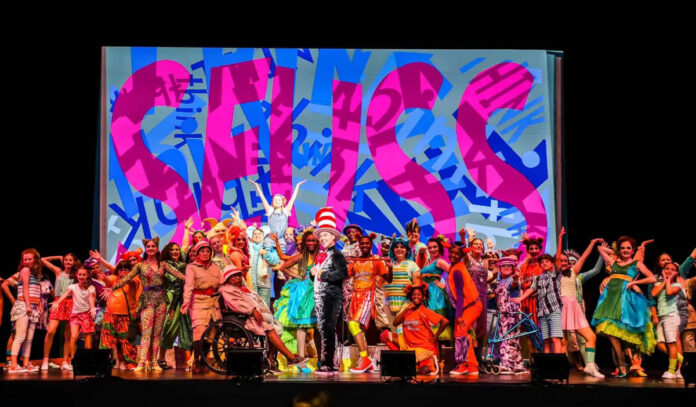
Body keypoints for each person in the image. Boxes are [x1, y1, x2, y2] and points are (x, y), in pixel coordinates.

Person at [113, 237, 186, 371]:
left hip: (161, 301)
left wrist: (194, 279)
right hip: (147, 300)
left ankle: (154, 362)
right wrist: (113, 288)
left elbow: (178, 275)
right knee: (147, 332)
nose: (150, 248)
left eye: (153, 246)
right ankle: (142, 363)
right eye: (148, 247)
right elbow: (128, 277)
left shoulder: (163, 264)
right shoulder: (140, 265)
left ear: (157, 248)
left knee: (157, 333)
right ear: (146, 250)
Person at [591, 236, 657, 377]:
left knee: (623, 333)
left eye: (628, 248)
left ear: (633, 250)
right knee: (609, 331)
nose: (625, 250)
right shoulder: (613, 262)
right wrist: (614, 251)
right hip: (610, 299)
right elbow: (599, 248)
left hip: (624, 300)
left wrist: (634, 283)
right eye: (622, 248)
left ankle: (627, 365)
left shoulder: (636, 264)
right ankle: (621, 365)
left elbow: (652, 278)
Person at [219, 264, 307, 369]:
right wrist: (253, 310)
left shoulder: (243, 288)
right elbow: (237, 305)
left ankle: (270, 361)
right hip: (245, 317)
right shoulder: (228, 289)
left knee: (277, 327)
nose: (237, 278)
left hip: (257, 315)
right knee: (270, 330)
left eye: (238, 275)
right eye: (234, 276)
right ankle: (290, 357)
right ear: (228, 279)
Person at [555, 232, 605, 378]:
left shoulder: (573, 272)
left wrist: (592, 243)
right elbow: (557, 257)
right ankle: (560, 370)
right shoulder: (556, 274)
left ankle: (590, 366)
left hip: (575, 307)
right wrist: (559, 239)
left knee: (591, 336)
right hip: (562, 306)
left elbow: (583, 257)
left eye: (566, 261)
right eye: (562, 261)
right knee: (563, 342)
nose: (564, 263)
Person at [345, 234, 393, 373]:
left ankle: (364, 358)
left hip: (367, 295)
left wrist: (390, 267)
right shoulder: (356, 262)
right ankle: (367, 363)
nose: (365, 245)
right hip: (355, 297)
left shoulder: (376, 261)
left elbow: (388, 279)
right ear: (359, 245)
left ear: (371, 245)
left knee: (353, 325)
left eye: (367, 243)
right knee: (359, 329)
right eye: (362, 243)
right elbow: (345, 276)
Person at [273, 229, 319, 369]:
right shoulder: (302, 256)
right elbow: (283, 267)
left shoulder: (321, 256)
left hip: (318, 289)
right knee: (302, 325)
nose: (311, 243)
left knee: (318, 327)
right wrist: (297, 276)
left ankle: (322, 359)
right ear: (305, 242)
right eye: (308, 240)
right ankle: (301, 360)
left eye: (313, 240)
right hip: (304, 291)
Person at [311, 207, 348, 374]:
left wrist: (322, 274)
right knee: (323, 328)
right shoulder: (321, 255)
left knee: (328, 328)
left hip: (331, 296)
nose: (322, 238)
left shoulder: (337, 255)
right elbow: (317, 276)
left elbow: (342, 273)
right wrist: (313, 274)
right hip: (320, 297)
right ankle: (329, 363)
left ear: (333, 236)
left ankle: (328, 363)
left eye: (326, 235)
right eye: (321, 235)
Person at [383, 283, 449, 375]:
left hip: (423, 348)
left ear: (423, 297)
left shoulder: (424, 311)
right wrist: (406, 309)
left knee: (421, 371)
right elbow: (395, 323)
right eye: (414, 295)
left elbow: (445, 321)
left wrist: (435, 336)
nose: (416, 296)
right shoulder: (407, 311)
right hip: (408, 346)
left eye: (418, 294)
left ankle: (427, 363)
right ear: (410, 297)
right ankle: (404, 361)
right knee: (385, 335)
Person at [181, 240, 222, 373]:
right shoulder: (191, 267)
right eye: (202, 251)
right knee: (199, 330)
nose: (205, 253)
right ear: (197, 254)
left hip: (214, 302)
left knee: (212, 332)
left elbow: (221, 284)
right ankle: (197, 361)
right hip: (198, 301)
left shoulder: (215, 266)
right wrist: (186, 302)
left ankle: (204, 361)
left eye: (207, 251)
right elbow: (188, 286)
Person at [38, 253, 80, 370]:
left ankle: (66, 361)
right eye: (66, 260)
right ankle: (45, 360)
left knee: (68, 335)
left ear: (74, 262)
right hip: (58, 302)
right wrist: (58, 257)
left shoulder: (76, 275)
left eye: (70, 260)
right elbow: (42, 259)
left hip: (71, 303)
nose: (67, 262)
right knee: (51, 331)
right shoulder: (58, 271)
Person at [50, 267, 97, 371]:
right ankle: (74, 360)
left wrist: (92, 307)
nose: (81, 277)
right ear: (77, 275)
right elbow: (65, 294)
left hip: (86, 315)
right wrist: (57, 302)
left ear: (87, 276)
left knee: (88, 339)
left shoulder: (91, 288)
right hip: (75, 315)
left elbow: (91, 297)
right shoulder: (73, 286)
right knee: (73, 337)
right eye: (79, 275)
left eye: (83, 275)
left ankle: (87, 361)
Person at [6, 249, 44, 373]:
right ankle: (13, 364)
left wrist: (39, 304)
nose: (27, 262)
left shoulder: (36, 273)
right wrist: (28, 305)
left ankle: (26, 363)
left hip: (33, 306)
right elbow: (26, 289)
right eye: (25, 259)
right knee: (20, 336)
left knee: (29, 338)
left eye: (30, 259)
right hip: (24, 305)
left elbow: (36, 289)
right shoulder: (25, 270)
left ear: (35, 260)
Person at [99, 260, 142, 370]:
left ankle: (129, 363)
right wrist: (104, 278)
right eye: (121, 269)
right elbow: (109, 280)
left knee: (126, 341)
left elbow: (137, 293)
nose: (123, 272)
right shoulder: (114, 279)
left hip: (126, 315)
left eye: (126, 269)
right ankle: (105, 363)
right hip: (111, 315)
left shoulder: (135, 280)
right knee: (108, 340)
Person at [380, 237, 421, 350]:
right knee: (393, 331)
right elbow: (381, 282)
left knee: (400, 329)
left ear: (406, 250)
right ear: (392, 249)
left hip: (405, 301)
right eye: (396, 247)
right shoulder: (387, 264)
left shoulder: (412, 265)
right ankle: (399, 355)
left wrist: (411, 287)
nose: (399, 249)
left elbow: (418, 284)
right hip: (389, 302)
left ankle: (405, 354)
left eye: (402, 247)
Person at [447, 245, 482, 376]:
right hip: (467, 306)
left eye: (457, 254)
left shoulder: (457, 270)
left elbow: (461, 294)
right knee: (459, 333)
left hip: (471, 306)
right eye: (452, 253)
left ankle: (466, 365)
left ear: (461, 256)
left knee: (461, 331)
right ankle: (469, 365)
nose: (453, 255)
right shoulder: (454, 267)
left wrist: (459, 315)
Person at [158, 242, 193, 370]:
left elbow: (185, 247)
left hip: (185, 296)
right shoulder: (165, 264)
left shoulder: (184, 264)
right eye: (172, 250)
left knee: (186, 328)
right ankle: (161, 357)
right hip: (172, 296)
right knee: (169, 326)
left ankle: (189, 361)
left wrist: (187, 230)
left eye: (177, 250)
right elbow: (176, 280)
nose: (174, 252)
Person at [248, 178, 306, 252]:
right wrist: (256, 186)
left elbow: (292, 199)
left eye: (279, 200)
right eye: (275, 200)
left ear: (282, 202)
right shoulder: (270, 210)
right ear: (273, 202)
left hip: (281, 238)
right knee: (267, 254)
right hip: (270, 238)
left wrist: (297, 186)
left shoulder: (285, 211)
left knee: (282, 254)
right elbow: (262, 198)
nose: (277, 201)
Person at [494, 256, 527, 374]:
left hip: (512, 314)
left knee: (509, 340)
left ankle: (507, 365)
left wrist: (515, 279)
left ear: (513, 268)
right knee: (508, 339)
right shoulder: (500, 281)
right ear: (499, 268)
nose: (506, 267)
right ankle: (518, 365)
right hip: (503, 314)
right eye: (503, 266)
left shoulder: (513, 279)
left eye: (509, 266)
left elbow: (514, 285)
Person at [651, 262, 684, 379]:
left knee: (671, 343)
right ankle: (683, 361)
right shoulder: (659, 282)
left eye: (672, 270)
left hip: (671, 315)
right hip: (661, 316)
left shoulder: (677, 285)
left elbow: (669, 292)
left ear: (676, 273)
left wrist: (668, 280)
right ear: (662, 270)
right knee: (660, 344)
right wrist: (664, 281)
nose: (669, 271)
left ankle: (671, 371)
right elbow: (653, 293)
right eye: (667, 269)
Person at [416, 237, 453, 341]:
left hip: (435, 294)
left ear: (439, 248)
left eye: (435, 247)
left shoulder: (440, 262)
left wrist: (445, 286)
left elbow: (454, 273)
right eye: (430, 247)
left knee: (436, 320)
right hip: (425, 293)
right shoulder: (427, 262)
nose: (432, 249)